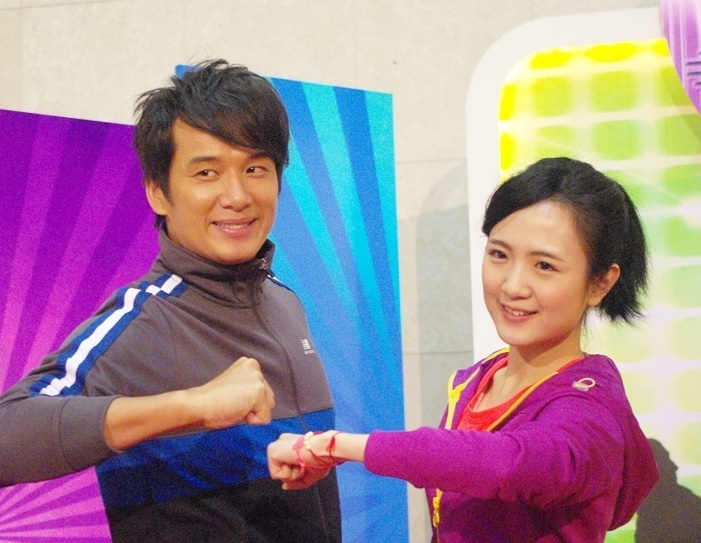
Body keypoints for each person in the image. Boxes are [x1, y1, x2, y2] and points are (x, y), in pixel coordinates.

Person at [0, 59, 341, 542]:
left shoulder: (284, 302)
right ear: (159, 192)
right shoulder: (143, 319)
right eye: (207, 172)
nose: (237, 195)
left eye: (255, 168)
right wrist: (191, 406)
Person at [267, 157, 659, 543]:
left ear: (600, 283)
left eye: (544, 266)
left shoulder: (590, 409)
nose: (513, 286)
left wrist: (338, 446)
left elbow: (509, 465)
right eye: (499, 254)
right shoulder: (480, 380)